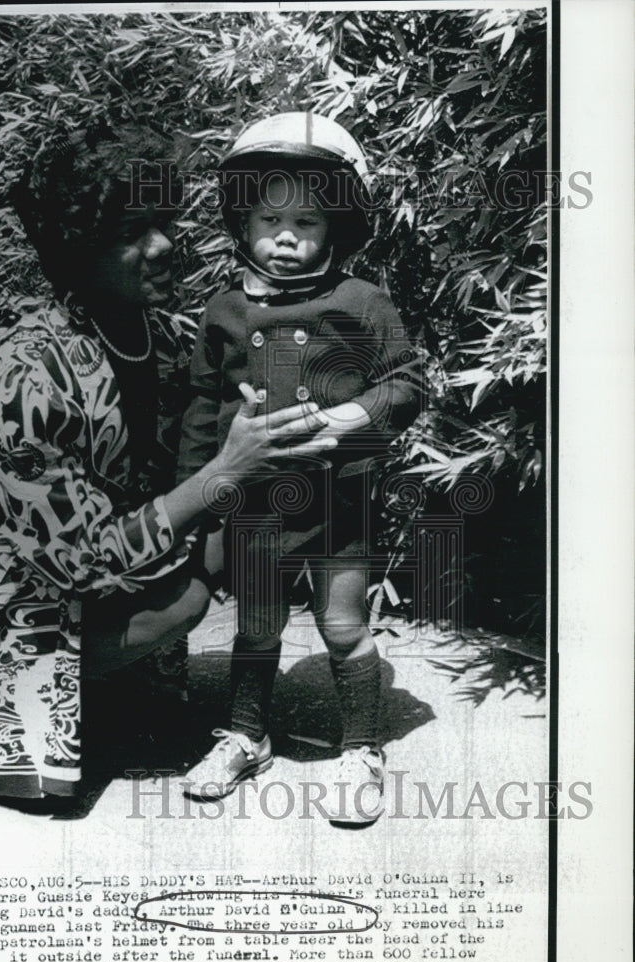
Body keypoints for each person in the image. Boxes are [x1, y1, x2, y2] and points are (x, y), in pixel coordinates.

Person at [0, 127, 335, 803]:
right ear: (77, 248)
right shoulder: (29, 372)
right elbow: (73, 559)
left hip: (90, 574)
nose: (163, 245)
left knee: (220, 552)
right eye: (135, 229)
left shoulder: (162, 338)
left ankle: (109, 687)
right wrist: (225, 475)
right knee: (187, 594)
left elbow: (179, 477)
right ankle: (5, 697)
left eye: (165, 220)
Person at [176, 112, 426, 824]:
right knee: (255, 626)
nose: (284, 236)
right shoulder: (223, 311)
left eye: (307, 222)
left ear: (337, 228)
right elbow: (201, 408)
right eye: (268, 217)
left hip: (337, 500)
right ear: (241, 220)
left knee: (342, 623)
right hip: (255, 505)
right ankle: (246, 735)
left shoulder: (361, 303)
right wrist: (201, 497)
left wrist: (349, 420)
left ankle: (361, 746)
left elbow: (406, 382)